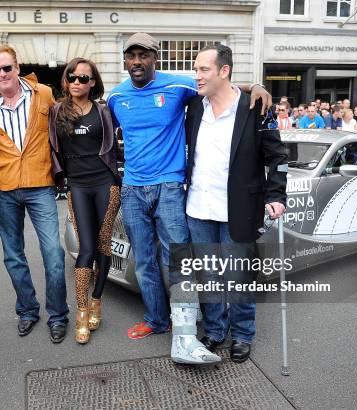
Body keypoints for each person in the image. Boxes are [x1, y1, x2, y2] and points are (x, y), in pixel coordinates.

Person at [107, 32, 272, 364]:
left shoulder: (181, 87)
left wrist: (255, 85)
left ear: (156, 58)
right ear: (125, 60)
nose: (136, 62)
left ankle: (223, 329)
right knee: (146, 262)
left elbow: (218, 84)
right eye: (131, 56)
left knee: (184, 262)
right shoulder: (115, 97)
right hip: (134, 189)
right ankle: (159, 320)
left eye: (143, 56)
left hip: (170, 187)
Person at [185, 44, 287, 363]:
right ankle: (215, 330)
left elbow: (278, 157)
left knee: (238, 276)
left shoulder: (256, 107)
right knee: (208, 276)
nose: (197, 76)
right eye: (196, 69)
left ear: (224, 71)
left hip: (239, 211)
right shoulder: (194, 106)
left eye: (204, 70)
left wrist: (276, 195)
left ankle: (243, 333)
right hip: (198, 209)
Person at [0, 44, 69, 343]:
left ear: (17, 68)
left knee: (53, 253)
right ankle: (27, 310)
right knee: (13, 256)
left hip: (40, 183)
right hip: (4, 187)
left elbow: (63, 129)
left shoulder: (43, 93)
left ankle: (58, 314)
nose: (2, 74)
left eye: (7, 68)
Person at [48, 58, 121, 344]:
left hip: (106, 182)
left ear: (93, 82)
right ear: (66, 81)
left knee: (103, 244)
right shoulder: (56, 111)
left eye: (84, 78)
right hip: (77, 184)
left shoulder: (104, 110)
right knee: (86, 249)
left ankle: (97, 300)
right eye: (72, 77)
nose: (77, 82)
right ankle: (81, 311)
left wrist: (252, 86)